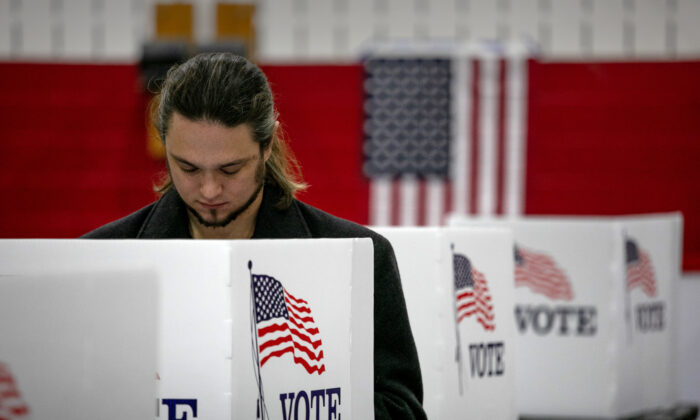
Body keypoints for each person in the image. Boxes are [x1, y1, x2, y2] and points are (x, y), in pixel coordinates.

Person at [83, 52, 427, 419]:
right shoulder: (97, 260)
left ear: (267, 146)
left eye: (230, 169)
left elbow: (402, 409)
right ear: (164, 145)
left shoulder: (363, 259)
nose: (210, 189)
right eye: (188, 168)